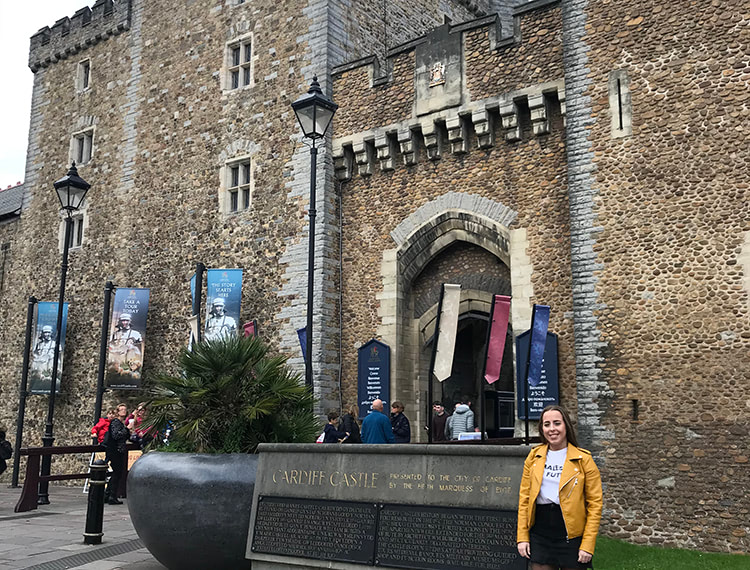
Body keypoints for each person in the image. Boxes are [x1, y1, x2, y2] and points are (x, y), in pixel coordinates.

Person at [517, 405, 603, 569]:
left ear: (566, 426)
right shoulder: (534, 457)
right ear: (542, 429)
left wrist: (587, 544)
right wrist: (522, 537)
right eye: (546, 424)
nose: (552, 429)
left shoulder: (584, 459)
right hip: (540, 533)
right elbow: (524, 500)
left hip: (571, 535)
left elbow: (595, 504)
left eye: (557, 423)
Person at [104, 403, 130, 505]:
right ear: (118, 412)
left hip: (119, 450)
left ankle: (108, 495)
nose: (124, 411)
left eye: (125, 409)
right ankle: (111, 496)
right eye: (121, 409)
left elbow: (125, 436)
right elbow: (116, 435)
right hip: (115, 450)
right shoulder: (115, 422)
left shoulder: (120, 423)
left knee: (117, 473)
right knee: (117, 473)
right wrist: (127, 429)